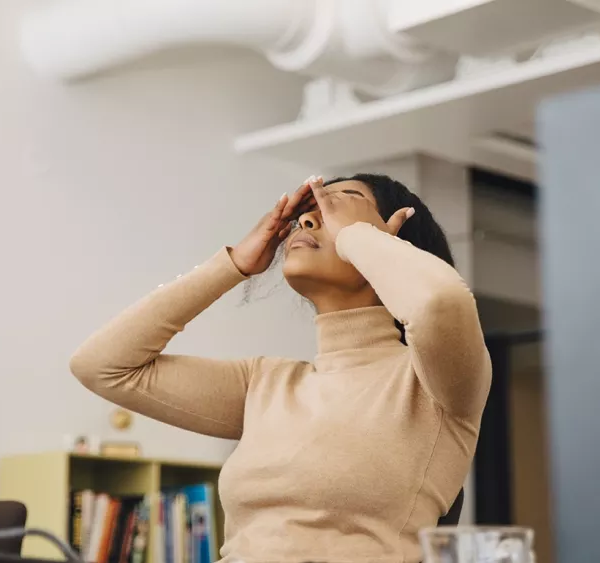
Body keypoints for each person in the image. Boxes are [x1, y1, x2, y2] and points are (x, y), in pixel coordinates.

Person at [71, 174, 492, 563]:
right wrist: (232, 264)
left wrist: (358, 237)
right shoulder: (265, 383)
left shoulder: (434, 382)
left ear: (392, 238)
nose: (307, 219)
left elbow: (441, 303)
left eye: (338, 206)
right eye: (307, 211)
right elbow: (102, 366)